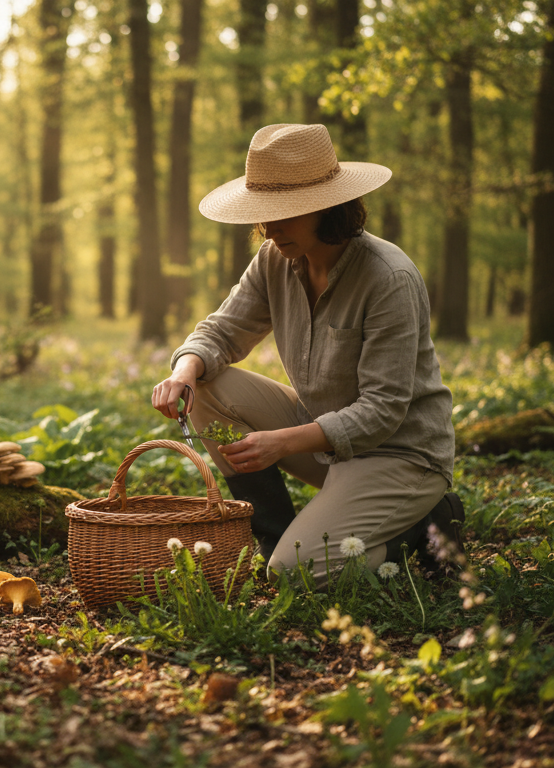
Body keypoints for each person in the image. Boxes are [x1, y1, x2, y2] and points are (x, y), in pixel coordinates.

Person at [150, 123, 462, 581]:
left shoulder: (388, 278)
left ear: (329, 208)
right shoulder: (275, 259)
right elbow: (221, 330)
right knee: (208, 384)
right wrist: (183, 371)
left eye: (287, 212)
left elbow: (383, 409)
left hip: (399, 454)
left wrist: (281, 443)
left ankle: (422, 522)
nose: (271, 227)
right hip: (324, 440)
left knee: (297, 574)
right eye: (263, 213)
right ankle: (275, 538)